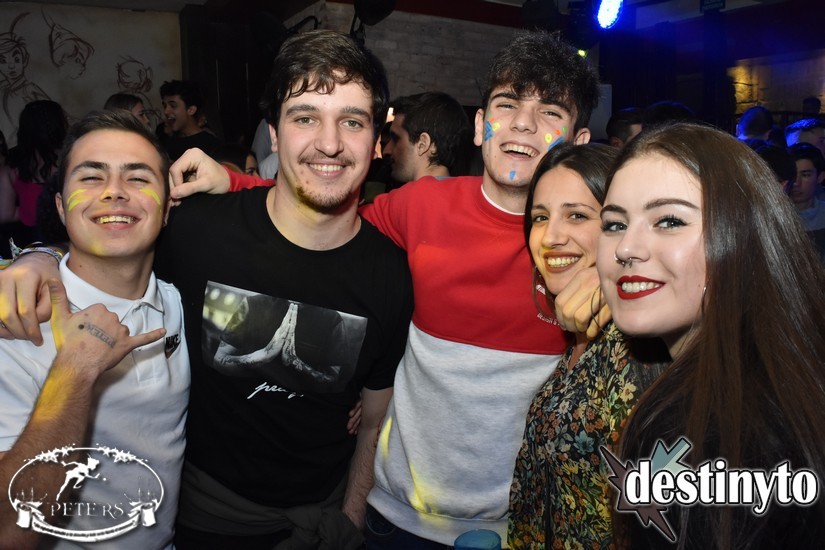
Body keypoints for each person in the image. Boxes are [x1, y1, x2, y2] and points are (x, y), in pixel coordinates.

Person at [155, 29, 604, 545]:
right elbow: (325, 206)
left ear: (579, 142)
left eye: (550, 112)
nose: (524, 124)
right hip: (392, 515)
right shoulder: (423, 206)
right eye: (508, 105)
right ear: (482, 125)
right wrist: (236, 183)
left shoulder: (595, 245)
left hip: (519, 524)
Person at [0, 30, 413, 550]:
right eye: (305, 117)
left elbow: (374, 421)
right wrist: (37, 258)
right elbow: (112, 237)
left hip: (324, 520)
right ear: (274, 135)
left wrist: (351, 518)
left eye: (351, 121)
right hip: (205, 520)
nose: (328, 143)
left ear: (376, 141)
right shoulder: (196, 230)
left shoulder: (392, 275)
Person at [597, 122, 825, 548]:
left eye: (668, 220)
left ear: (742, 236)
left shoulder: (705, 433)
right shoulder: (779, 375)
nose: (626, 247)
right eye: (613, 224)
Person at [0, 109, 188, 549]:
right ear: (61, 208)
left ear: (166, 209)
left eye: (137, 178)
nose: (114, 191)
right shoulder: (16, 321)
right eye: (91, 177)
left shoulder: (177, 301)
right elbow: (8, 531)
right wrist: (75, 369)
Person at [507, 143, 667, 548]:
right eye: (540, 217)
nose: (551, 237)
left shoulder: (639, 346)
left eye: (577, 215)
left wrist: (616, 279)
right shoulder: (579, 339)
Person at [0, 100, 67, 257]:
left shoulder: (12, 165)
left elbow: (5, 213)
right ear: (59, 124)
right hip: (70, 237)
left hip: (30, 243)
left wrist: (30, 208)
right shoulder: (72, 157)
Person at [382, 91, 472, 183]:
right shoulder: (473, 190)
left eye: (396, 139)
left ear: (423, 144)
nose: (386, 150)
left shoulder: (397, 194)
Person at [159, 79, 220, 161]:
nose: (166, 111)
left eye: (173, 106)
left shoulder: (211, 144)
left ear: (191, 110)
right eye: (165, 106)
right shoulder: (170, 142)